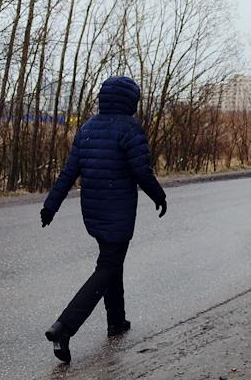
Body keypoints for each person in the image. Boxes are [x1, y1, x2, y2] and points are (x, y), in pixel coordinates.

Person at [39, 76, 167, 364]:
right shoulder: (129, 128)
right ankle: (64, 327)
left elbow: (69, 172)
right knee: (108, 267)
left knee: (112, 263)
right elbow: (142, 171)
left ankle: (116, 321)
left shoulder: (87, 128)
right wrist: (159, 195)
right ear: (129, 100)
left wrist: (50, 206)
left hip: (94, 212)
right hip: (118, 212)